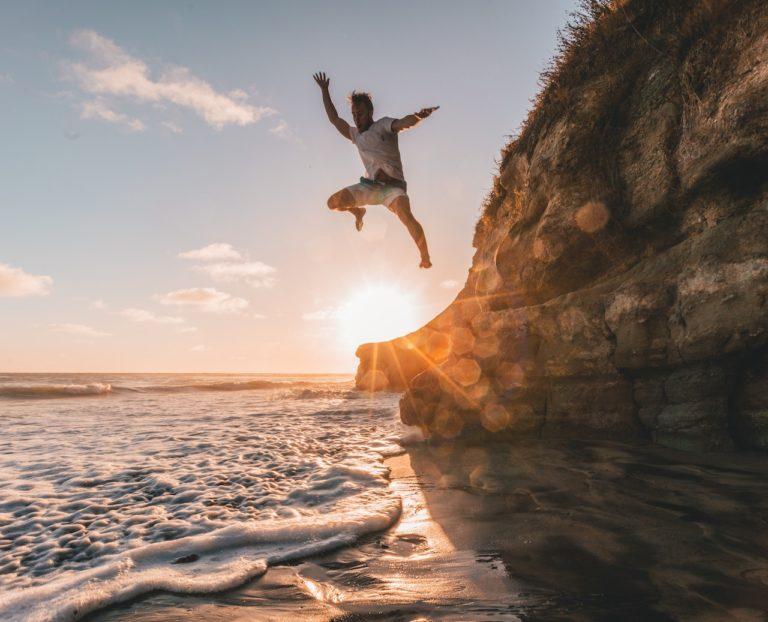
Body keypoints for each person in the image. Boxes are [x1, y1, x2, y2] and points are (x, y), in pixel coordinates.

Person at [313, 71, 438, 269]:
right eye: (354, 114)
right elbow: (335, 119)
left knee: (407, 217)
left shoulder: (383, 125)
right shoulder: (355, 135)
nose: (356, 118)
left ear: (370, 112)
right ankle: (358, 212)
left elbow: (403, 123)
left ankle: (425, 257)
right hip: (371, 188)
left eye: (360, 114)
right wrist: (325, 90)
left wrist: (417, 116)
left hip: (394, 188)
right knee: (332, 203)